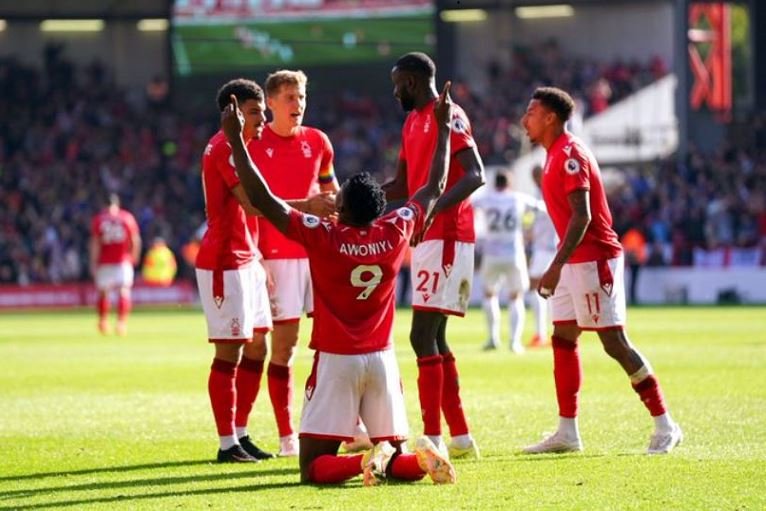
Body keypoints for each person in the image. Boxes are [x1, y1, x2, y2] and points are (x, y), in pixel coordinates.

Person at [221, 82, 458, 485]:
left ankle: (361, 463)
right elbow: (433, 187)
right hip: (382, 359)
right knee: (397, 459)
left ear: (342, 208)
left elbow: (263, 200)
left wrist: (234, 140)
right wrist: (444, 132)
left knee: (313, 468)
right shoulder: (397, 227)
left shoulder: (324, 234)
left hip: (336, 360)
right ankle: (418, 461)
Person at [520, 86, 683, 454]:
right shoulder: (550, 154)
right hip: (572, 260)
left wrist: (555, 266)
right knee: (563, 338)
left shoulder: (570, 153)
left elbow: (584, 215)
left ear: (550, 117)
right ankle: (567, 432)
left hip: (594, 258)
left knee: (614, 343)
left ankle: (666, 424)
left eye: (531, 112)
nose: (523, 119)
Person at [197, 78, 334, 464]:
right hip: (225, 261)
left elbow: (249, 213)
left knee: (255, 348)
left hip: (247, 257)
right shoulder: (225, 147)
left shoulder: (242, 148)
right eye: (255, 112)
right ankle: (227, 444)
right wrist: (307, 207)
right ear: (234, 112)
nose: (262, 120)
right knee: (230, 354)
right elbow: (255, 205)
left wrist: (257, 254)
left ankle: (240, 435)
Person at [385, 52, 484, 458]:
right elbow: (404, 184)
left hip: (447, 234)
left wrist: (434, 209)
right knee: (435, 337)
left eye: (396, 84)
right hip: (428, 234)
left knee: (421, 335)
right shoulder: (413, 121)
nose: (394, 93)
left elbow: (475, 172)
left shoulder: (449, 115)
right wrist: (357, 197)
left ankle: (435, 437)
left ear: (410, 81)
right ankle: (458, 437)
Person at [247, 69, 339, 457]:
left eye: (300, 96)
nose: (297, 104)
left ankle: (340, 425)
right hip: (278, 257)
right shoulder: (253, 147)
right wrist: (257, 255)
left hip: (318, 254)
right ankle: (288, 436)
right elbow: (251, 208)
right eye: (288, 97)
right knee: (284, 348)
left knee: (334, 344)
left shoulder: (318, 141)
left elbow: (329, 190)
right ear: (270, 103)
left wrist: (338, 210)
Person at [473, 172, 545, 353]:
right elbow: (542, 208)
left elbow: (466, 204)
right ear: (509, 184)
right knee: (516, 297)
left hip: (491, 254)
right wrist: (530, 225)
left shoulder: (485, 198)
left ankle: (493, 338)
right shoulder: (518, 198)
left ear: (494, 184)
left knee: (489, 295)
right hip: (514, 254)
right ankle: (514, 342)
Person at [89, 193, 141, 336]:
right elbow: (135, 239)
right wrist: (134, 256)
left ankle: (103, 321)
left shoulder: (99, 219)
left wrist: (93, 262)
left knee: (104, 292)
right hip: (123, 260)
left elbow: (95, 243)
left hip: (104, 262)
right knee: (123, 291)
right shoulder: (127, 218)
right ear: (117, 204)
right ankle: (121, 323)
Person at [527, 164, 558, 348]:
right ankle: (551, 333)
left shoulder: (545, 193)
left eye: (534, 175)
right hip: (550, 247)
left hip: (545, 248)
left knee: (535, 286)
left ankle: (541, 334)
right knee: (551, 290)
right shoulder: (543, 191)